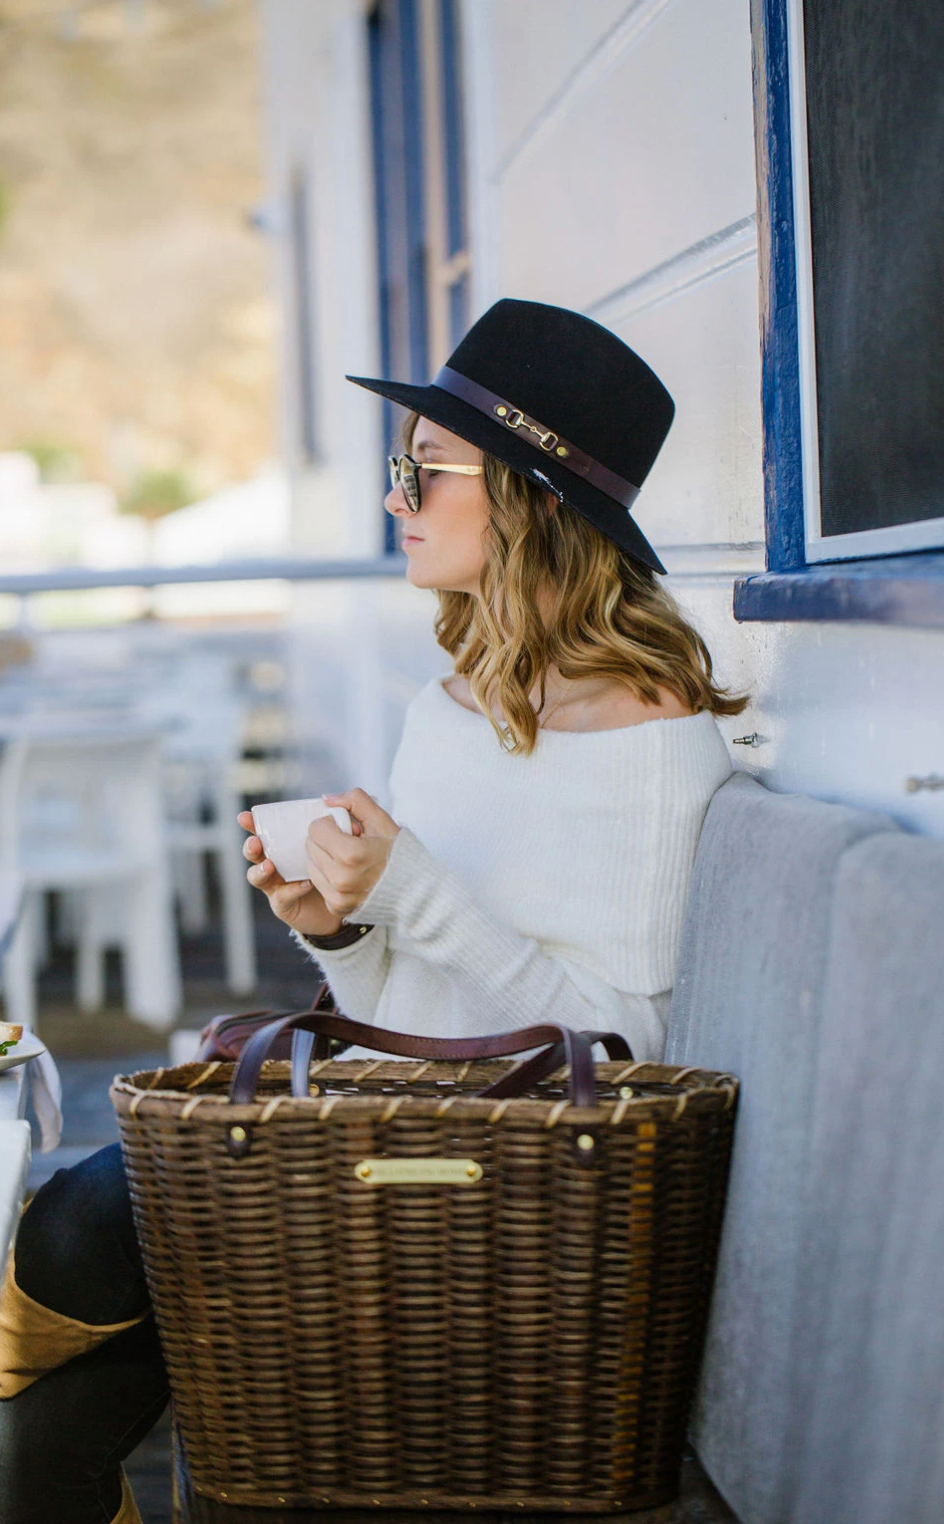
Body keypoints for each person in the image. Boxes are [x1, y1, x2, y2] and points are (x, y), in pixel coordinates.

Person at [0, 298, 745, 1524]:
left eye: (424, 468)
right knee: (36, 1448)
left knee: (102, 1211)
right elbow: (403, 1014)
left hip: (503, 1200)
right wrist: (338, 927)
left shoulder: (650, 744)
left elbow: (627, 1057)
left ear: (531, 497)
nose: (395, 496)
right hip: (391, 1136)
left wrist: (412, 896)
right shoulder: (452, 703)